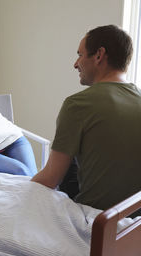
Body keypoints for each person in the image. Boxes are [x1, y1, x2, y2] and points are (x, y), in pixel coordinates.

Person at [31, 25, 141, 216]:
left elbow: (50, 179)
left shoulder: (78, 105)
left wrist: (17, 192)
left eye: (80, 55)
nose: (75, 64)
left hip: (99, 223)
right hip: (134, 223)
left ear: (99, 55)